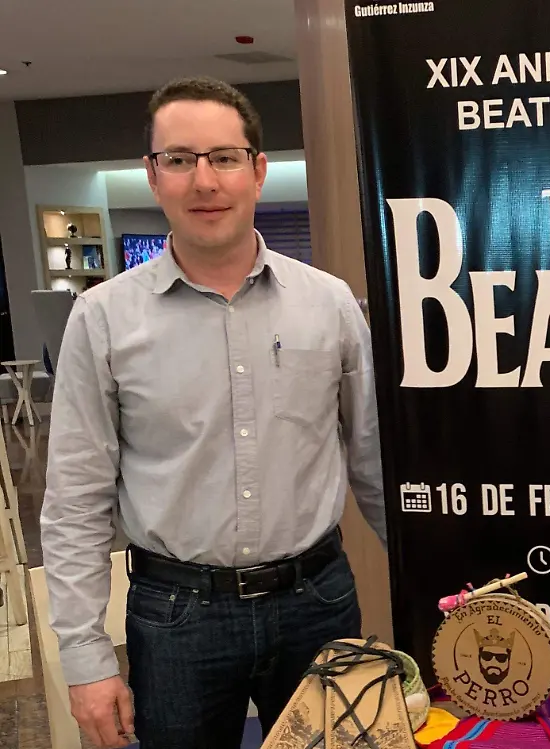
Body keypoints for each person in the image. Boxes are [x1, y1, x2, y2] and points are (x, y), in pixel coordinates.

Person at [41, 76, 388, 749]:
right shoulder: (103, 318)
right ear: (152, 174)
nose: (204, 181)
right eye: (179, 158)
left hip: (317, 603)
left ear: (257, 170)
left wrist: (433, 580)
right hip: (176, 618)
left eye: (225, 157)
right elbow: (76, 499)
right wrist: (86, 658)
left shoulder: (330, 304)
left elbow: (373, 462)